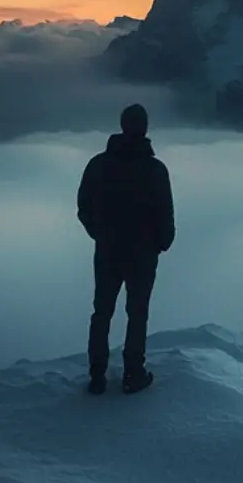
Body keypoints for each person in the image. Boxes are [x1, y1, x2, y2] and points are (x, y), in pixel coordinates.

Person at [76, 103, 175, 394]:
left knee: (102, 311)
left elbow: (84, 206)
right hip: (143, 253)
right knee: (138, 312)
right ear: (144, 128)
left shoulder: (98, 164)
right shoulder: (154, 169)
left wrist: (100, 234)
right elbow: (165, 212)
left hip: (107, 250)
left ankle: (97, 375)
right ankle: (133, 373)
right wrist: (161, 243)